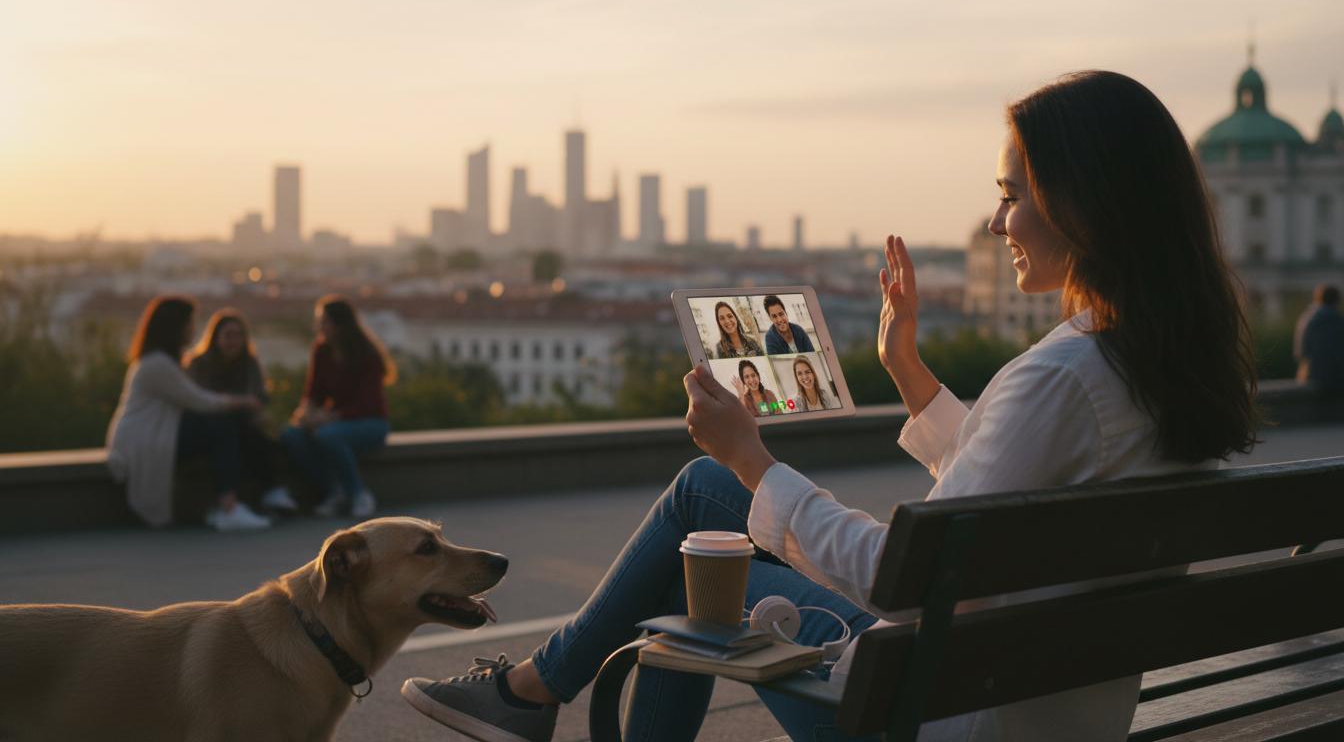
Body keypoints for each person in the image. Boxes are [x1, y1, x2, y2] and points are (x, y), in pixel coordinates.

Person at [400, 71, 1257, 742]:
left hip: (944, 714)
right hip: (1050, 705)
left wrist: (751, 459)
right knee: (704, 527)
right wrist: (910, 372)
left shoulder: (1063, 372)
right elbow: (1025, 484)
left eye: (1011, 193)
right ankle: (528, 693)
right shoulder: (1154, 359)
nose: (998, 220)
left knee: (703, 513)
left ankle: (529, 692)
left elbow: (905, 585)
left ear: (1084, 201)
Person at [106, 296, 273, 531]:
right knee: (221, 426)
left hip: (153, 433)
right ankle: (229, 506)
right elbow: (200, 401)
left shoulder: (159, 361)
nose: (193, 329)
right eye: (189, 323)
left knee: (226, 425)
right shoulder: (157, 365)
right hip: (143, 440)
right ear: (176, 327)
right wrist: (242, 401)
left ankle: (243, 499)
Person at [280, 295, 395, 519]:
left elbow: (367, 404)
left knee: (328, 436)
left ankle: (358, 494)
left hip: (371, 423)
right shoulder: (321, 351)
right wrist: (305, 414)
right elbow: (313, 392)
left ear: (340, 325)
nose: (319, 327)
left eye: (324, 321)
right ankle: (335, 492)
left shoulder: (367, 355)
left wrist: (328, 418)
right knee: (291, 436)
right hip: (335, 421)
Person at [185, 308, 297, 512]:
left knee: (254, 432)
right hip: (207, 426)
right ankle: (260, 493)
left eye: (238, 336)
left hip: (241, 425)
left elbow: (260, 397)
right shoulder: (198, 364)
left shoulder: (249, 364)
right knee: (236, 429)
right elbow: (200, 401)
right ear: (215, 337)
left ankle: (267, 493)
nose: (233, 341)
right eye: (228, 335)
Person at [1294, 284, 1344, 397]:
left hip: (1308, 374)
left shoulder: (1306, 318)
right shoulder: (1337, 320)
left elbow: (1299, 353)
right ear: (1337, 300)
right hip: (1333, 379)